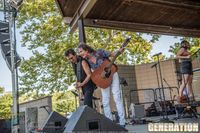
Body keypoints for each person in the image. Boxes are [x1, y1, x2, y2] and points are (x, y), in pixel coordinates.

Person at [78, 43, 126, 127]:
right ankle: (110, 122)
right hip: (103, 79)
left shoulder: (99, 52)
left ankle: (122, 122)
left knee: (117, 97)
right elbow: (92, 73)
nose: (80, 54)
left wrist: (119, 51)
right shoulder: (87, 62)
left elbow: (113, 54)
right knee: (105, 101)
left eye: (81, 51)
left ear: (87, 50)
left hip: (112, 74)